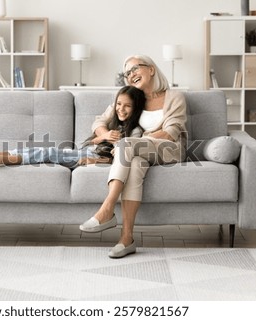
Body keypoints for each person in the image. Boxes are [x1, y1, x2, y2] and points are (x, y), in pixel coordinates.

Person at [79, 54, 187, 258]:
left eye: (135, 69)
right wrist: (105, 135)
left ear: (151, 69)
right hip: (139, 152)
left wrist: (131, 144)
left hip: (169, 149)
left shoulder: (174, 97)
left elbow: (170, 132)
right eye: (127, 72)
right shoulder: (131, 98)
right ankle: (126, 239)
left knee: (128, 146)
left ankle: (107, 209)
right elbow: (99, 122)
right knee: (135, 164)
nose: (131, 75)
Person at [0, 85, 146, 169]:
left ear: (135, 107)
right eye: (119, 104)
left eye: (127, 106)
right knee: (38, 149)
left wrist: (95, 161)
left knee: (49, 153)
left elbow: (122, 159)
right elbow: (92, 141)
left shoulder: (135, 132)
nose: (121, 109)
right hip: (89, 151)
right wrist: (104, 136)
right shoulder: (113, 122)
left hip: (93, 157)